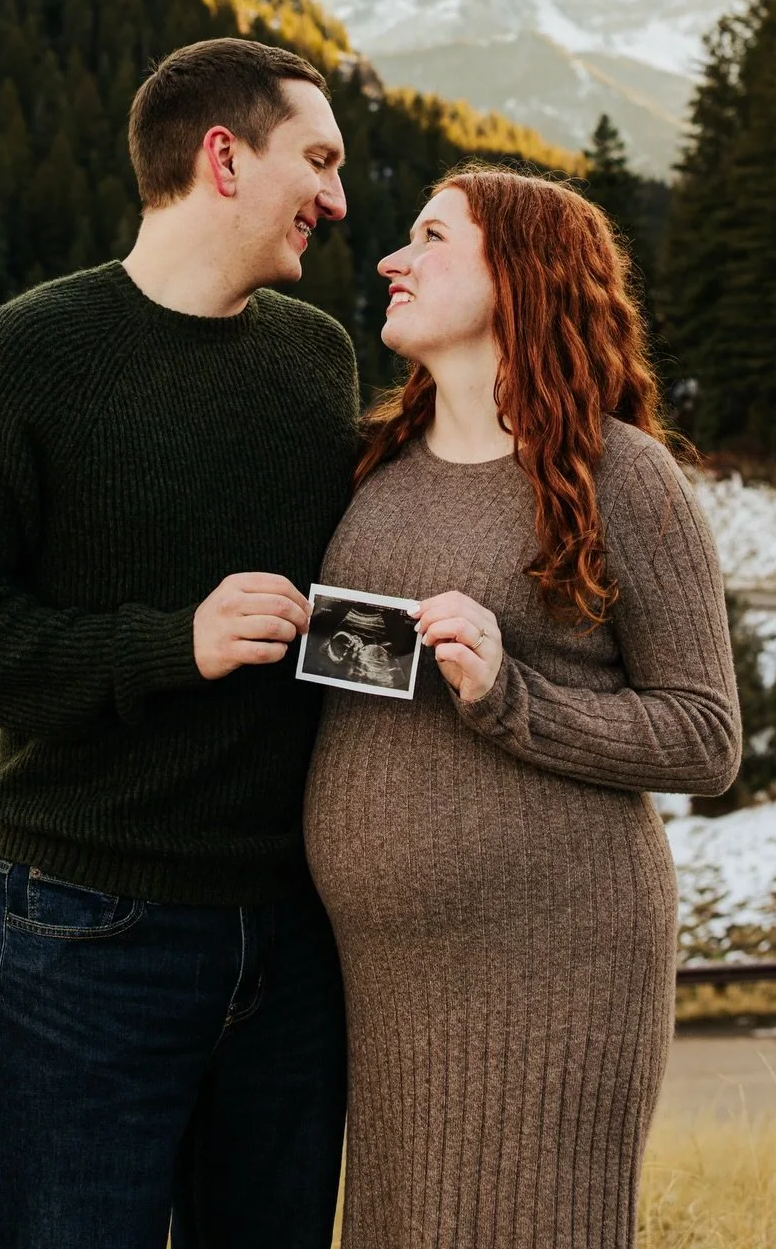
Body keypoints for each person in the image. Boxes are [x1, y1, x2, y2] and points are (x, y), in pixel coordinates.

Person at [0, 37, 358, 1249]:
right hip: (94, 930)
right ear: (223, 158)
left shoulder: (318, 359)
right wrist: (168, 647)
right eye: (318, 161)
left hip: (298, 932)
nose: (340, 198)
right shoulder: (28, 355)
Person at [304, 166, 742, 1249]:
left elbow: (705, 736)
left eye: (431, 237)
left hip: (555, 962)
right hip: (382, 977)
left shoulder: (620, 474)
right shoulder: (377, 470)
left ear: (520, 275)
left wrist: (513, 696)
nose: (393, 261)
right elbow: (375, 693)